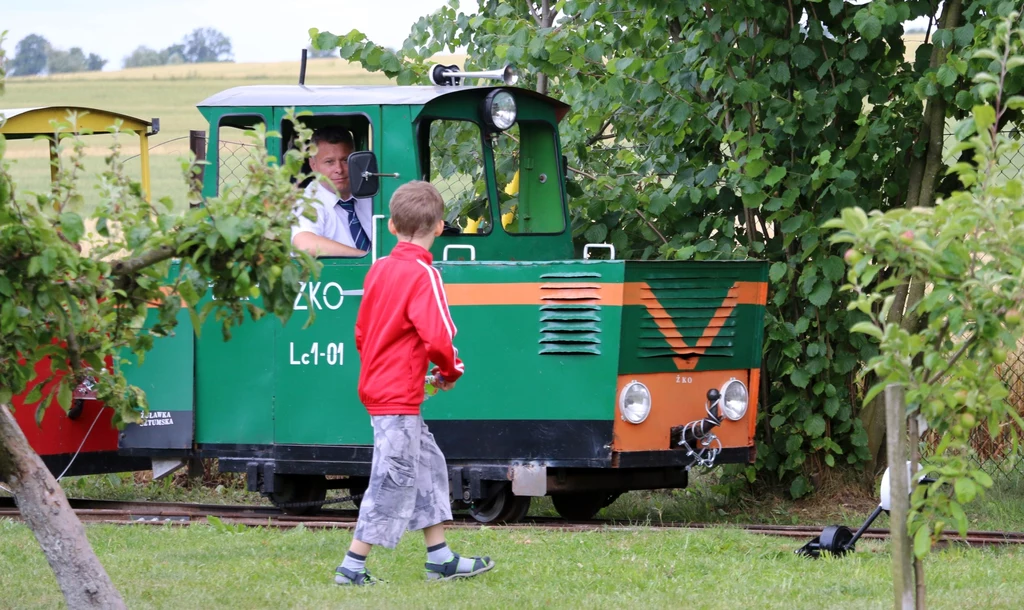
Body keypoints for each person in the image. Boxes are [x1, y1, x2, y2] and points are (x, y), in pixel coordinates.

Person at [334, 181, 494, 586]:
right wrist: (449, 371)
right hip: (398, 395)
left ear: (391, 227)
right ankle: (352, 567)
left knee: (428, 465)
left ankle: (440, 558)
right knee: (394, 477)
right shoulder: (424, 274)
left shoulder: (380, 269)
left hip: (379, 385)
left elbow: (361, 331)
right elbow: (439, 335)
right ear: (440, 227)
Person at [291, 127, 372, 257]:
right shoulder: (308, 201)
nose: (339, 169)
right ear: (313, 165)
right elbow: (304, 243)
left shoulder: (370, 192)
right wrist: (365, 258)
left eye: (345, 160)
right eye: (329, 162)